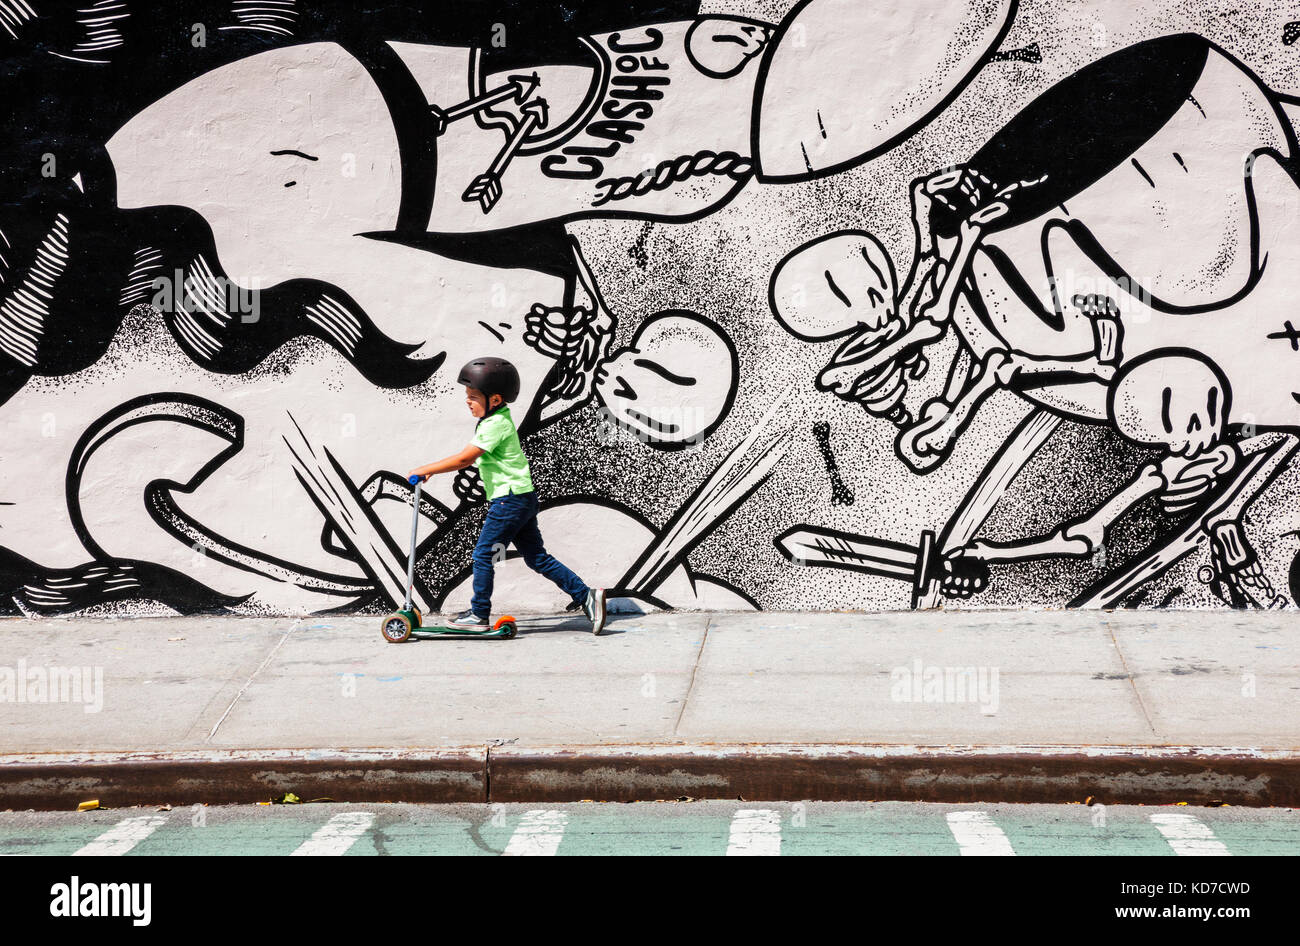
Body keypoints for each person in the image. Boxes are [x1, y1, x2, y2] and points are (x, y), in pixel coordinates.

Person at [410, 357, 607, 634]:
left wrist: (426, 469)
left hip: (510, 500)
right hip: (521, 497)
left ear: (495, 398)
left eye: (473, 396)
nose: (467, 401)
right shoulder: (496, 419)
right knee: (537, 558)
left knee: (482, 555)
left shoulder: (495, 425)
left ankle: (479, 614)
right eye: (467, 396)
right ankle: (586, 596)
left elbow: (465, 459)